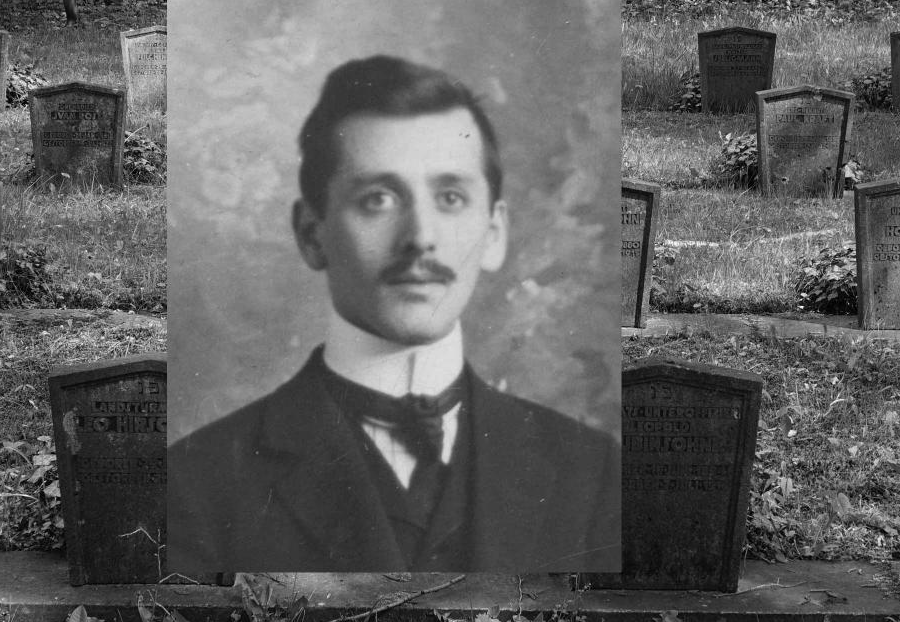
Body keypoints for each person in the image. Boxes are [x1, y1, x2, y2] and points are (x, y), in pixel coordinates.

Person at [167, 55, 619, 574]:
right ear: (312, 234)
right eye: (377, 199)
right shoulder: (198, 481)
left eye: (451, 196)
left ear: (494, 233)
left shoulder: (591, 470)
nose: (420, 237)